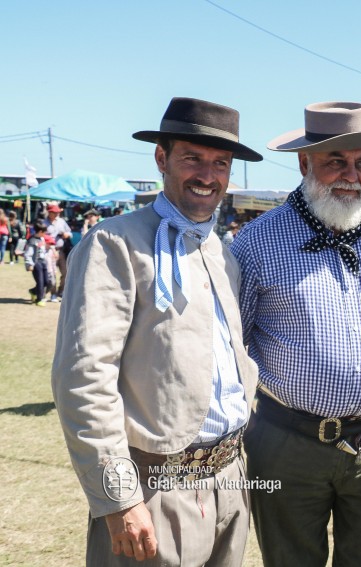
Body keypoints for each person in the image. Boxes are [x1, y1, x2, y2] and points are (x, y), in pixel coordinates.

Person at [51, 97, 263, 565]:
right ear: (161, 158)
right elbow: (85, 379)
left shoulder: (223, 253)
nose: (207, 175)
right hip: (153, 490)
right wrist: (119, 499)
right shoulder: (115, 244)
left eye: (220, 163)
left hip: (229, 479)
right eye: (193, 158)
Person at [230, 101, 361, 567]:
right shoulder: (256, 241)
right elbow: (231, 347)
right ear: (304, 163)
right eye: (336, 161)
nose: (352, 175)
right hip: (286, 444)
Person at [44, 202, 72, 300]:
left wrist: (66, 234)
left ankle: (61, 291)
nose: (57, 214)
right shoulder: (44, 223)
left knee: (65, 272)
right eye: (54, 212)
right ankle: (53, 293)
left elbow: (70, 233)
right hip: (48, 251)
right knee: (51, 274)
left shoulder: (61, 221)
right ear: (49, 212)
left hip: (61, 251)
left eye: (57, 212)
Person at [23, 220, 49, 306]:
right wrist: (29, 264)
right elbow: (28, 254)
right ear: (40, 231)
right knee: (40, 281)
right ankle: (39, 299)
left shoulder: (42, 239)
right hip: (36, 263)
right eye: (44, 232)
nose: (45, 234)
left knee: (46, 281)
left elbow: (43, 250)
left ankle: (33, 291)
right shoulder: (32, 240)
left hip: (43, 262)